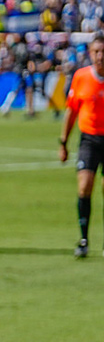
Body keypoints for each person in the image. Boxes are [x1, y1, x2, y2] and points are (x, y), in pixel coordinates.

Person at [58, 34, 104, 257]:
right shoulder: (81, 77)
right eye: (96, 51)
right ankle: (84, 239)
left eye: (103, 52)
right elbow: (71, 111)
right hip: (89, 139)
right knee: (84, 187)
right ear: (90, 53)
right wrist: (63, 142)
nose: (100, 56)